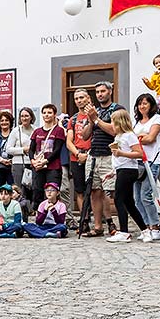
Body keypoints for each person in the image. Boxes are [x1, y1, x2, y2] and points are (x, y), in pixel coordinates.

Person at [81, 81, 126, 237]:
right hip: (93, 156)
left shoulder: (117, 109)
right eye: (97, 92)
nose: (100, 94)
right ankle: (98, 227)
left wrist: (96, 120)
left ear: (110, 91)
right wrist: (89, 119)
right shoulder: (95, 110)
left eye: (103, 91)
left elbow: (115, 131)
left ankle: (119, 226)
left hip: (110, 156)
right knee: (94, 191)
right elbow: (85, 135)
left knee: (112, 192)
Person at [107, 110, 148, 243]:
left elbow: (139, 153)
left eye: (113, 122)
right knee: (129, 202)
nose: (111, 124)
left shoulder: (129, 135)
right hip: (121, 169)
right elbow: (119, 159)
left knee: (119, 198)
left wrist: (122, 153)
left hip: (128, 170)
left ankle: (124, 232)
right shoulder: (118, 137)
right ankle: (145, 230)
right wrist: (113, 171)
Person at [133, 93, 160, 241]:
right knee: (137, 198)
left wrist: (140, 138)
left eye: (145, 103)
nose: (142, 106)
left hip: (151, 161)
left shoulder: (157, 119)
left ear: (151, 105)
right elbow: (133, 140)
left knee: (146, 196)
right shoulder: (137, 122)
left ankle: (155, 226)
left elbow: (151, 138)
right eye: (139, 104)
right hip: (136, 162)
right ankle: (145, 226)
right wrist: (141, 137)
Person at [28, 104, 66, 205]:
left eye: (49, 113)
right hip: (38, 167)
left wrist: (45, 161)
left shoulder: (59, 130)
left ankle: (53, 214)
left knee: (52, 191)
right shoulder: (37, 131)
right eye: (44, 113)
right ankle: (39, 214)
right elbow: (31, 149)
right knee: (37, 191)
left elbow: (57, 150)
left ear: (54, 115)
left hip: (53, 166)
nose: (46, 115)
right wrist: (33, 161)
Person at [66, 89, 93, 226]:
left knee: (94, 190)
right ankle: (84, 220)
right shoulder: (73, 119)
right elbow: (69, 141)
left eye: (82, 97)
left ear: (88, 98)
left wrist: (87, 155)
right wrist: (77, 154)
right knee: (80, 190)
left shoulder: (95, 115)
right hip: (76, 157)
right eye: (76, 98)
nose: (79, 100)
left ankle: (99, 219)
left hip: (92, 156)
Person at [7, 107, 36, 200]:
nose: (24, 118)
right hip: (18, 164)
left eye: (27, 116)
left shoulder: (36, 130)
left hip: (32, 163)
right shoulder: (15, 131)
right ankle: (20, 210)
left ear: (31, 117)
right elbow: (8, 149)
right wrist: (23, 150)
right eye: (22, 116)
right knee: (20, 189)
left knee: (33, 188)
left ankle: (31, 209)